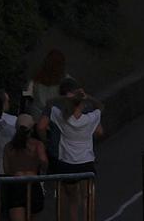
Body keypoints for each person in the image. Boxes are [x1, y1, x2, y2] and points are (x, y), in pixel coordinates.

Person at [49, 87, 103, 221]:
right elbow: (100, 106)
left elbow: (49, 103)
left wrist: (67, 98)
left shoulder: (62, 118)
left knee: (73, 200)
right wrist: (87, 96)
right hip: (86, 163)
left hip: (67, 163)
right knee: (87, 198)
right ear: (82, 104)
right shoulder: (89, 119)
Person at [1, 114, 48, 221]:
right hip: (33, 182)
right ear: (32, 129)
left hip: (15, 184)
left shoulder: (9, 147)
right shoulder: (37, 145)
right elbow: (44, 162)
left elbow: (6, 169)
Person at [24, 50, 67, 118]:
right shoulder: (65, 82)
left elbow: (26, 97)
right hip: (51, 119)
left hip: (34, 115)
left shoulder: (34, 80)